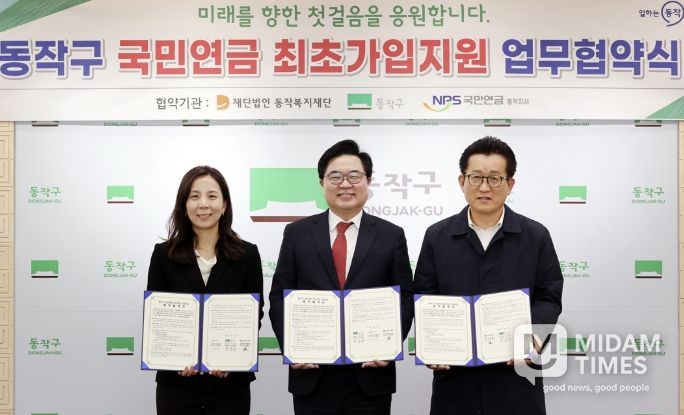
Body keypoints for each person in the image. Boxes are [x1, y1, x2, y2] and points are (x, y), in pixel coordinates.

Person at [414, 136, 563, 415]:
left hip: (517, 379)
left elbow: (549, 295)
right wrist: (433, 344)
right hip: (455, 382)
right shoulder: (437, 236)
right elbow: (424, 295)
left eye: (494, 178)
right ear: (462, 181)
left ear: (510, 184)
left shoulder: (535, 236)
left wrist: (533, 335)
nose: (484, 187)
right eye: (476, 177)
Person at [268, 139, 414, 415]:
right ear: (322, 182)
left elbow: (405, 297)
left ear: (368, 181)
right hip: (311, 374)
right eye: (335, 176)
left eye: (354, 176)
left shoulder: (391, 235)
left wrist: (390, 346)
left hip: (370, 376)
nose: (345, 184)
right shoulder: (297, 233)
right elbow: (279, 295)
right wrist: (291, 348)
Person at [146, 165, 264, 415]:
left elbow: (254, 315)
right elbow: (156, 317)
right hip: (176, 385)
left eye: (212, 196)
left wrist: (231, 360)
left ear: (224, 205)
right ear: (184, 204)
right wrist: (174, 358)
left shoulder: (247, 255)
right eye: (194, 196)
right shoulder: (163, 255)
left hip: (230, 385)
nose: (203, 204)